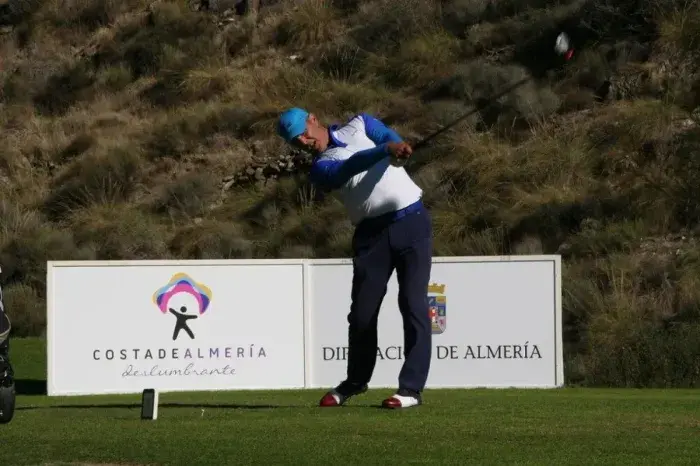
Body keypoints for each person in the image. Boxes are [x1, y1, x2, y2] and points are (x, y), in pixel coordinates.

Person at [277, 108, 433, 409]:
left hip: (412, 223)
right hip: (371, 235)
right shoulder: (320, 168)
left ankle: (410, 390)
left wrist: (398, 147)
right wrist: (386, 151)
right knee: (362, 314)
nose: (303, 141)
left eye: (303, 133)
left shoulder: (359, 124)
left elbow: (385, 134)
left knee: (413, 304)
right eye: (295, 141)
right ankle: (356, 381)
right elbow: (349, 167)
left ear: (313, 119)